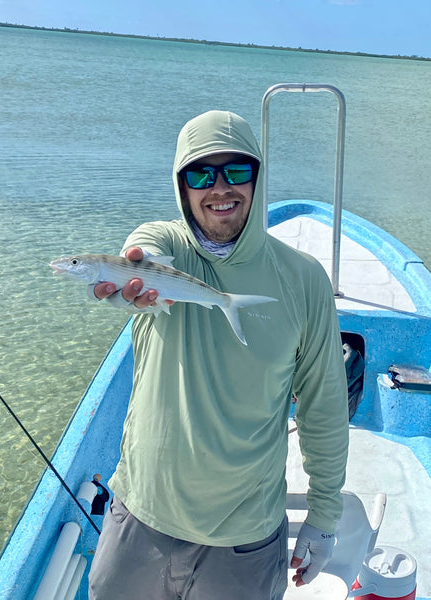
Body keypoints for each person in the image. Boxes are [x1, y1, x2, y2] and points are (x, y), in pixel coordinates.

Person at [88, 110, 349, 600]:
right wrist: (130, 281)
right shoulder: (169, 247)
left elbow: (323, 406)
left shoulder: (303, 279)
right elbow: (141, 251)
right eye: (201, 174)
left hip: (245, 537)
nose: (220, 188)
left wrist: (324, 517)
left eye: (237, 171)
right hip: (141, 516)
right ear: (182, 186)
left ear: (257, 176)